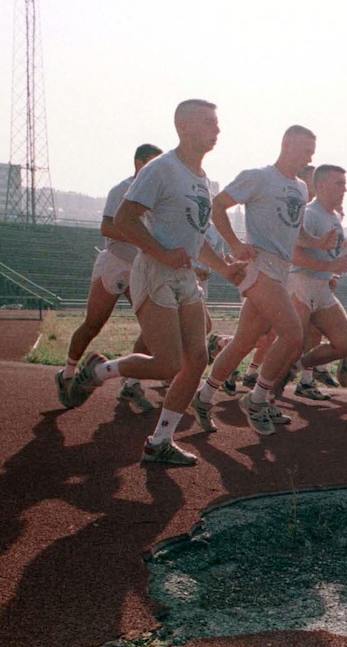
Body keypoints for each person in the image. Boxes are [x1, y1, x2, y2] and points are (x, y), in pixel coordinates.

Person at [65, 99, 246, 465]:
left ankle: (159, 441)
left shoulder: (201, 180)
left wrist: (226, 269)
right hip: (154, 272)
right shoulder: (161, 169)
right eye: (208, 122)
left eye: (217, 122)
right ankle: (98, 371)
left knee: (196, 360)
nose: (217, 130)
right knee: (168, 364)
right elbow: (124, 219)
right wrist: (162, 253)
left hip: (185, 277)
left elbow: (196, 237)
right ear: (184, 127)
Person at [192, 125, 315, 436]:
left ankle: (204, 397)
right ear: (286, 144)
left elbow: (296, 230)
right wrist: (234, 244)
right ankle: (257, 398)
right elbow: (217, 206)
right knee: (292, 334)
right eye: (304, 150)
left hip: (281, 269)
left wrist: (320, 244)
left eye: (312, 152)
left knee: (244, 342)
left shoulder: (301, 188)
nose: (309, 157)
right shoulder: (259, 176)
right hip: (258, 266)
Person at [56, 143, 163, 411]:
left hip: (141, 267)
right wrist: (140, 237)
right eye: (153, 162)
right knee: (93, 324)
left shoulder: (158, 195)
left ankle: (131, 383)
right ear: (139, 163)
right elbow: (106, 227)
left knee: (154, 327)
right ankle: (67, 374)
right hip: (115, 263)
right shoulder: (122, 190)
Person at [288, 164, 347, 401]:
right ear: (322, 185)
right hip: (301, 284)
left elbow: (336, 249)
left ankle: (296, 371)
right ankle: (263, 397)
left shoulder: (334, 216)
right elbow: (293, 255)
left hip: (322, 288)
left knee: (343, 345)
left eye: (345, 184)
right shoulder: (309, 214)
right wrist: (329, 267)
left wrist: (334, 271)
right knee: (287, 344)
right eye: (339, 183)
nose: (344, 189)